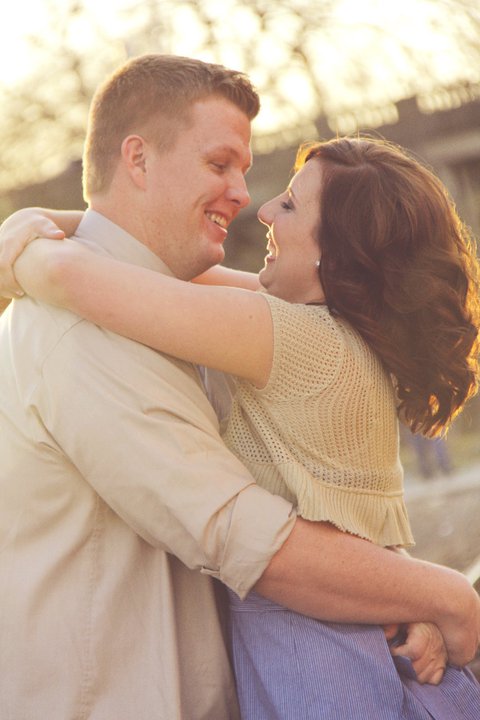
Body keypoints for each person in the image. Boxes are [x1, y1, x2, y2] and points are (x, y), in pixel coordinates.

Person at [0, 55, 479, 720]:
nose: (253, 202)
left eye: (283, 198)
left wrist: (25, 246)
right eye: (220, 164)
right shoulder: (89, 334)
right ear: (137, 159)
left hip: (320, 652)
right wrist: (426, 597)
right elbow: (242, 534)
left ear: (334, 257)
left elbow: (86, 278)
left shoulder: (280, 333)